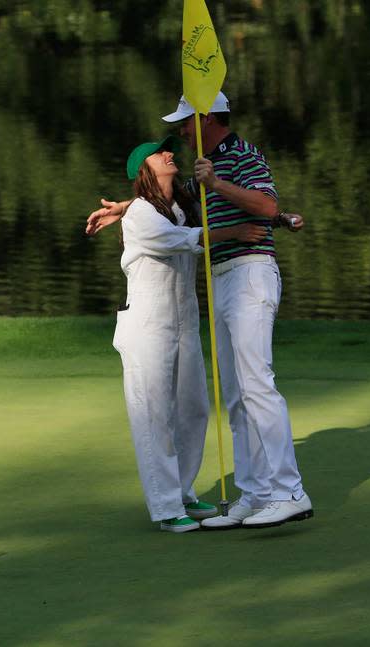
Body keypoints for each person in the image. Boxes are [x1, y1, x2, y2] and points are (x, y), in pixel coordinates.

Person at [88, 92, 312, 530]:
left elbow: (261, 205)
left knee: (254, 384)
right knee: (234, 393)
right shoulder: (193, 182)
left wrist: (262, 208)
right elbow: (166, 207)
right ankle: (255, 493)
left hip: (249, 273)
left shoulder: (240, 155)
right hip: (214, 284)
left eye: (186, 124)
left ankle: (289, 491)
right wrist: (123, 207)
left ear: (206, 117)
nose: (182, 135)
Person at [114, 135, 270, 533]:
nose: (170, 153)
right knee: (155, 415)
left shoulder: (180, 209)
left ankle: (182, 490)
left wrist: (282, 219)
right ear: (144, 170)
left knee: (194, 407)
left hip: (184, 321)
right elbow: (176, 241)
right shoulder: (141, 216)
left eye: (168, 149)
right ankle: (166, 508)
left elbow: (191, 222)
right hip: (147, 324)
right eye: (159, 153)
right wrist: (232, 234)